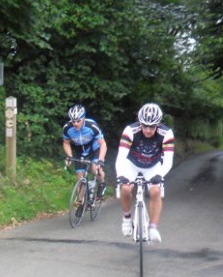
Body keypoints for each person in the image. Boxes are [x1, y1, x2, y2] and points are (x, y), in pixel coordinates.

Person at [115, 103, 174, 243]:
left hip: (153, 166)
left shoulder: (166, 133)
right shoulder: (130, 130)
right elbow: (121, 157)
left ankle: (153, 227)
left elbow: (168, 160)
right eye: (144, 126)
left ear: (158, 124)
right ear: (139, 122)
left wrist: (159, 175)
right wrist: (121, 175)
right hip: (131, 164)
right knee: (125, 188)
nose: (148, 130)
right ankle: (127, 217)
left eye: (152, 127)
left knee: (156, 191)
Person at [63, 104, 107, 216]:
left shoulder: (92, 126)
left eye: (78, 121)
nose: (76, 124)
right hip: (80, 151)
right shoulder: (67, 128)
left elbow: (103, 144)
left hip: (94, 149)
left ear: (84, 118)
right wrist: (69, 156)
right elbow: (66, 143)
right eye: (73, 121)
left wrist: (100, 160)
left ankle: (102, 184)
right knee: (80, 176)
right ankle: (81, 203)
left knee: (95, 169)